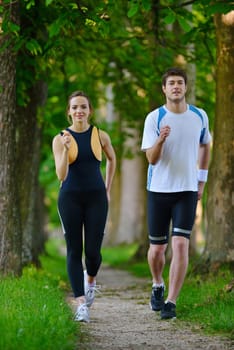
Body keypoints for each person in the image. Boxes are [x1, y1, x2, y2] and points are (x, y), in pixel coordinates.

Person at [141, 67, 211, 319]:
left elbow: (205, 145)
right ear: (164, 88)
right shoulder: (154, 117)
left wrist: (201, 182)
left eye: (180, 83)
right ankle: (157, 283)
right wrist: (160, 140)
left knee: (181, 245)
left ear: (186, 86)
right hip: (159, 190)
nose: (176, 87)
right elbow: (151, 158)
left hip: (187, 190)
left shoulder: (199, 116)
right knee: (157, 250)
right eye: (171, 83)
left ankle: (171, 302)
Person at [52, 91, 116, 323]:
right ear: (69, 112)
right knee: (73, 250)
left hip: (97, 198)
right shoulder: (60, 138)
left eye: (83, 107)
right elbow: (61, 174)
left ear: (90, 110)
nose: (79, 111)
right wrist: (67, 149)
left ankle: (90, 280)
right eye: (75, 107)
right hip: (69, 199)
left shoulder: (101, 136)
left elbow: (112, 159)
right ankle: (80, 304)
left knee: (92, 252)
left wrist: (107, 188)